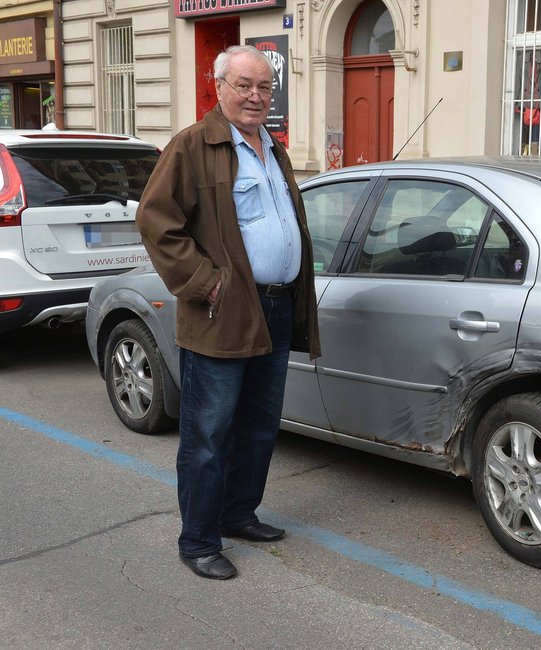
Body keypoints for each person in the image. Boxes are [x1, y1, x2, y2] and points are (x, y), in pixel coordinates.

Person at [136, 45, 320, 580]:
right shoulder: (194, 145)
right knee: (208, 434)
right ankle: (197, 540)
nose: (256, 97)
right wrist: (205, 284)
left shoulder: (273, 148)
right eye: (244, 85)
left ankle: (239, 514)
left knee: (260, 428)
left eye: (264, 87)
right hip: (222, 314)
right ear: (219, 87)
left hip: (277, 308)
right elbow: (156, 221)